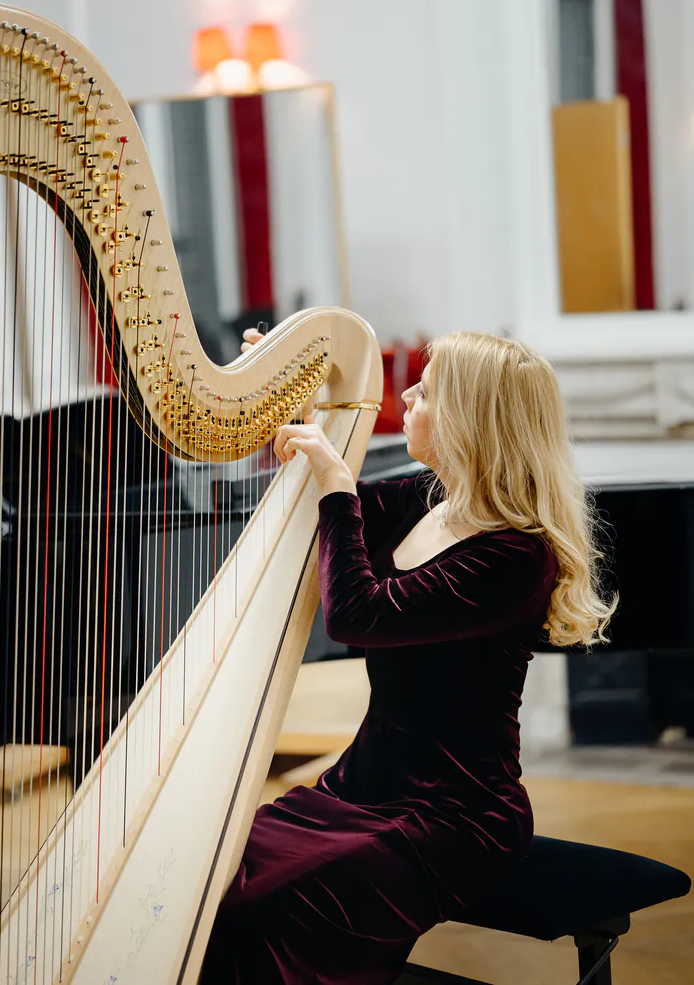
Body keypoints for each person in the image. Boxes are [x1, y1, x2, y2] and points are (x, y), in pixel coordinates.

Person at [200, 327, 616, 984]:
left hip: (451, 817)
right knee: (214, 880)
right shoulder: (428, 505)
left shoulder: (513, 557)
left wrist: (338, 486)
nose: (411, 397)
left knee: (267, 908)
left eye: (428, 391)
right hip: (359, 788)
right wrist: (286, 400)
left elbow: (355, 616)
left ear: (471, 419)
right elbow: (325, 514)